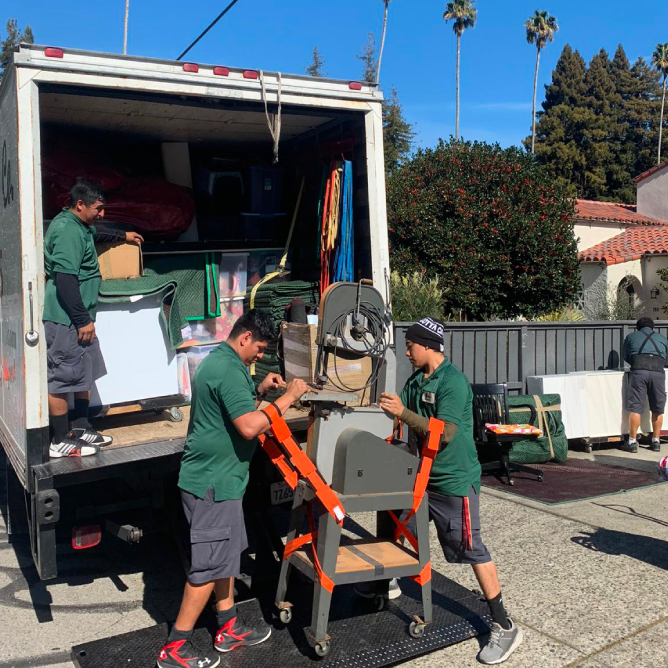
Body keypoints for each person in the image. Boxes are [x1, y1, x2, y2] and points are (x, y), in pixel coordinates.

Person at [157, 310, 309, 668]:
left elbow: (233, 406)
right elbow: (248, 426)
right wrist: (287, 398)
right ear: (244, 338)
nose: (260, 355)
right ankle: (175, 647)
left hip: (220, 481)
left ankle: (226, 627)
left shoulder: (225, 362)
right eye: (259, 348)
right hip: (212, 484)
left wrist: (258, 390)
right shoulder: (227, 369)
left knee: (225, 558)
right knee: (207, 569)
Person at [378, 316, 523, 665]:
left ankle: (504, 624)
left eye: (410, 344)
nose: (407, 350)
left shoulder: (454, 383)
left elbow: (444, 433)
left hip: (453, 480)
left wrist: (404, 413)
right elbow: (407, 419)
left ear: (427, 344)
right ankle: (388, 579)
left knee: (471, 548)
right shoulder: (416, 381)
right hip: (422, 477)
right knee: (399, 527)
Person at [43, 179, 143, 458]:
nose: (102, 214)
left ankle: (81, 426)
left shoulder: (80, 226)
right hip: (67, 319)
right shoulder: (66, 231)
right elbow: (64, 280)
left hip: (81, 316)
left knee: (84, 370)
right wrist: (81, 319)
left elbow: (94, 235)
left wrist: (123, 236)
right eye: (98, 209)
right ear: (79, 205)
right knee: (62, 378)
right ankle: (60, 440)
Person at [621, 317, 668, 453]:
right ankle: (656, 441)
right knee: (658, 409)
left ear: (638, 327)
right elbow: (666, 358)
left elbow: (626, 356)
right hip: (658, 373)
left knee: (636, 407)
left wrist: (637, 363)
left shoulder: (631, 337)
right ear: (653, 327)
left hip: (639, 372)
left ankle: (632, 442)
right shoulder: (663, 339)